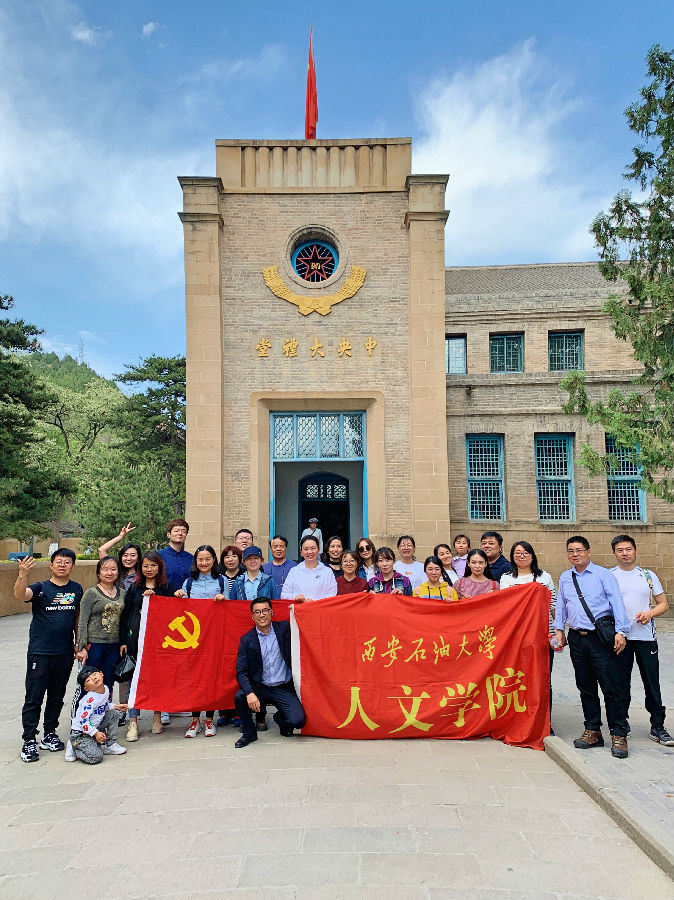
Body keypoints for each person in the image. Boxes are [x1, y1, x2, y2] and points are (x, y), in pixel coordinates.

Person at [554, 535, 631, 759]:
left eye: (579, 550)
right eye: (571, 551)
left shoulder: (603, 574)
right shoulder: (566, 577)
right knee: (585, 686)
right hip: (577, 638)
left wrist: (621, 631)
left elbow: (616, 602)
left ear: (588, 552)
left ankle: (619, 733)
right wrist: (559, 629)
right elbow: (561, 605)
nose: (575, 554)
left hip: (600, 638)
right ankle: (593, 730)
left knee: (611, 687)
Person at [14, 549, 83, 763]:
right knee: (34, 697)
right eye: (59, 562)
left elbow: (77, 617)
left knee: (56, 696)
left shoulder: (76, 589)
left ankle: (49, 733)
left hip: (64, 652)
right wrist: (22, 574)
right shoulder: (41, 588)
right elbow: (20, 595)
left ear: (72, 566)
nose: (62, 565)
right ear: (51, 565)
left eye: (67, 562)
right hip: (40, 651)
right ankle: (29, 739)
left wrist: (77, 643)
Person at [610, 534, 673, 746]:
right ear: (614, 553)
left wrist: (650, 613)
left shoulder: (647, 575)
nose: (624, 553)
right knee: (621, 683)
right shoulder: (610, 576)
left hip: (646, 637)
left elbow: (663, 603)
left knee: (651, 682)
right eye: (620, 550)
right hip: (621, 638)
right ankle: (621, 723)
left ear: (635, 551)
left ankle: (658, 725)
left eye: (628, 549)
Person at [500, 541, 558, 727]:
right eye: (517, 553)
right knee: (518, 677)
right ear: (512, 557)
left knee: (543, 678)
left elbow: (553, 606)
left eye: (525, 552)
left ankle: (544, 722)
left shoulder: (544, 577)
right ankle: (518, 721)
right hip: (517, 637)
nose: (522, 556)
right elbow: (506, 606)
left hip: (542, 635)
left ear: (532, 555)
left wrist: (557, 631)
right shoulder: (506, 578)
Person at [233, 599, 306, 748]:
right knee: (240, 696)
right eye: (257, 612)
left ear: (272, 612)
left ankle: (281, 718)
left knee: (298, 721)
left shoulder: (285, 628)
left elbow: (306, 622)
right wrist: (250, 693)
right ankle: (249, 733)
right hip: (260, 686)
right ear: (252, 616)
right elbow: (241, 672)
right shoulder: (247, 640)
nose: (262, 615)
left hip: (283, 686)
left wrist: (306, 604)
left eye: (265, 610)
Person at [119, 551, 175, 741]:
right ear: (140, 568)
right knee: (134, 680)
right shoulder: (134, 588)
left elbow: (173, 612)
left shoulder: (166, 586)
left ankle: (157, 716)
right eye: (145, 566)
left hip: (159, 642)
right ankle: (133, 721)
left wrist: (167, 597)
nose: (149, 569)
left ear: (159, 567)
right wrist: (124, 641)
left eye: (153, 565)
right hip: (136, 641)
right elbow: (126, 616)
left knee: (157, 680)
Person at [175, 546, 226, 738]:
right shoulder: (188, 583)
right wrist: (179, 596)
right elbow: (182, 611)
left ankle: (209, 719)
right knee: (194, 677)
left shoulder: (221, 581)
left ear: (214, 560)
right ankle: (195, 719)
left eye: (207, 559)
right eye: (200, 559)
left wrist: (223, 599)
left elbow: (230, 608)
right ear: (195, 562)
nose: (204, 563)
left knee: (211, 677)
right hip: (194, 639)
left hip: (214, 637)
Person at [76, 557, 125, 700]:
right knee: (90, 683)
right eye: (105, 569)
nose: (109, 573)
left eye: (113, 569)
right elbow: (82, 621)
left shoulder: (122, 593)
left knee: (108, 682)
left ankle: (104, 712)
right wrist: (82, 647)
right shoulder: (91, 593)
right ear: (98, 573)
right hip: (94, 645)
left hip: (114, 645)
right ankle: (84, 712)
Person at [65, 665, 127, 763]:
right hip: (81, 733)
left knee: (113, 714)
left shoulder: (105, 689)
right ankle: (74, 746)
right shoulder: (90, 701)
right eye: (88, 680)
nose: (94, 678)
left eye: (94, 674)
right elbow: (83, 721)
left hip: (95, 726)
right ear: (86, 688)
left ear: (101, 674)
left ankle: (111, 745)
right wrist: (96, 733)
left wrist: (116, 706)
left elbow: (103, 705)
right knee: (96, 757)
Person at [281, 535, 337, 601]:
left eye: (313, 548)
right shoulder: (294, 571)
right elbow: (284, 595)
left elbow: (332, 594)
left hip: (320, 607)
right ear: (301, 552)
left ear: (319, 550)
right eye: (306, 549)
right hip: (300, 607)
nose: (310, 552)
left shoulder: (327, 572)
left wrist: (314, 601)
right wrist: (295, 597)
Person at [97, 523, 142, 590]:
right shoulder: (115, 571)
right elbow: (101, 550)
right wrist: (120, 536)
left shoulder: (142, 575)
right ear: (121, 557)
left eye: (133, 555)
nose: (129, 558)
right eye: (125, 555)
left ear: (138, 558)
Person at [159, 518, 193, 590]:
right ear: (168, 534)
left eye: (183, 531)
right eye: (176, 531)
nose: (180, 533)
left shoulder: (191, 558)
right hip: (165, 596)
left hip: (187, 596)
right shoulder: (159, 556)